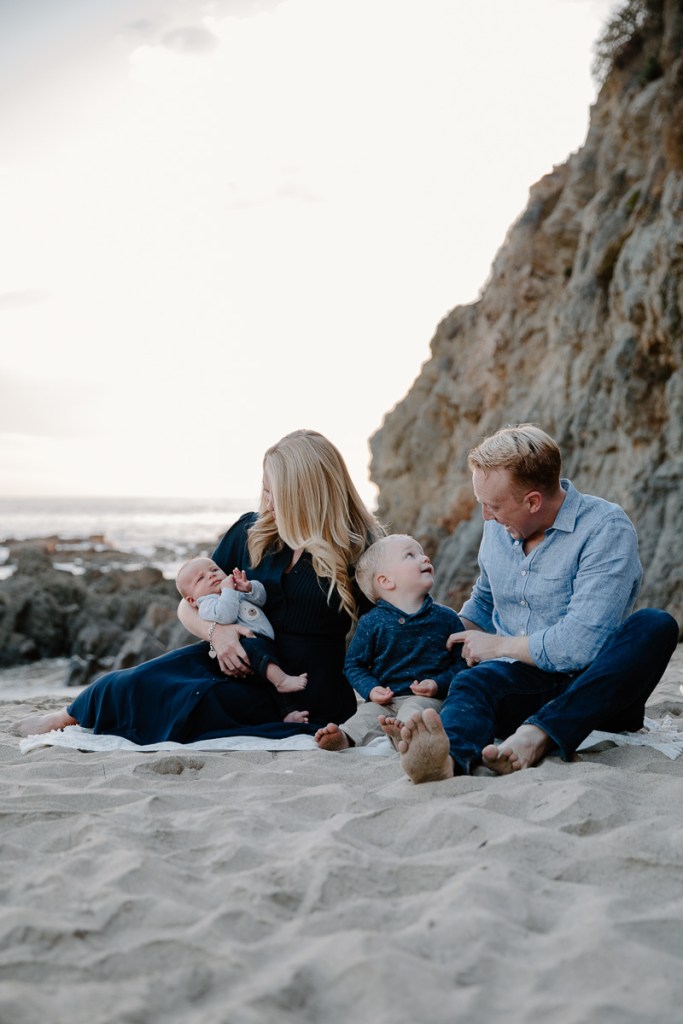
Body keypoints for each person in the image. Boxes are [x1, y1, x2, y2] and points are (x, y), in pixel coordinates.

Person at [16, 429, 384, 744]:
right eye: (264, 490)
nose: (267, 502)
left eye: (275, 493)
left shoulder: (358, 549)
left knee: (200, 705)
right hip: (233, 659)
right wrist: (217, 634)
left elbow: (390, 625)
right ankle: (67, 717)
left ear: (305, 493)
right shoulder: (251, 532)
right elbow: (187, 603)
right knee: (136, 681)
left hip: (303, 686)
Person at [388, 424, 679, 783]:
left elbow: (580, 645)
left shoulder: (605, 529)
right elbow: (484, 601)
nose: (486, 516)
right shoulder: (499, 525)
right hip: (519, 683)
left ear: (533, 501)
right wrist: (434, 640)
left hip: (595, 688)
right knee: (471, 683)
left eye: (493, 506)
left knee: (655, 625)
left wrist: (498, 645)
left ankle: (538, 735)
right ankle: (449, 762)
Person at [315, 534, 467, 750]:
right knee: (365, 716)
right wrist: (371, 689)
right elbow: (354, 665)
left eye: (422, 553)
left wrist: (437, 684)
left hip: (426, 698)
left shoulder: (446, 618)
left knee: (415, 712)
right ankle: (344, 738)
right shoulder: (372, 622)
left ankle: (403, 735)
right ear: (386, 581)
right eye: (410, 555)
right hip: (385, 700)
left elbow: (462, 664)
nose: (425, 558)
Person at [175, 556, 309, 723]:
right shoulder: (207, 604)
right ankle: (281, 680)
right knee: (273, 673)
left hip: (264, 642)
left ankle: (289, 712)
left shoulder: (234, 590)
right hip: (244, 645)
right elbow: (226, 615)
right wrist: (229, 591)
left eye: (214, 569)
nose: (211, 575)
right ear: (192, 600)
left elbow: (261, 600)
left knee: (271, 682)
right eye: (200, 578)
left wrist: (249, 588)